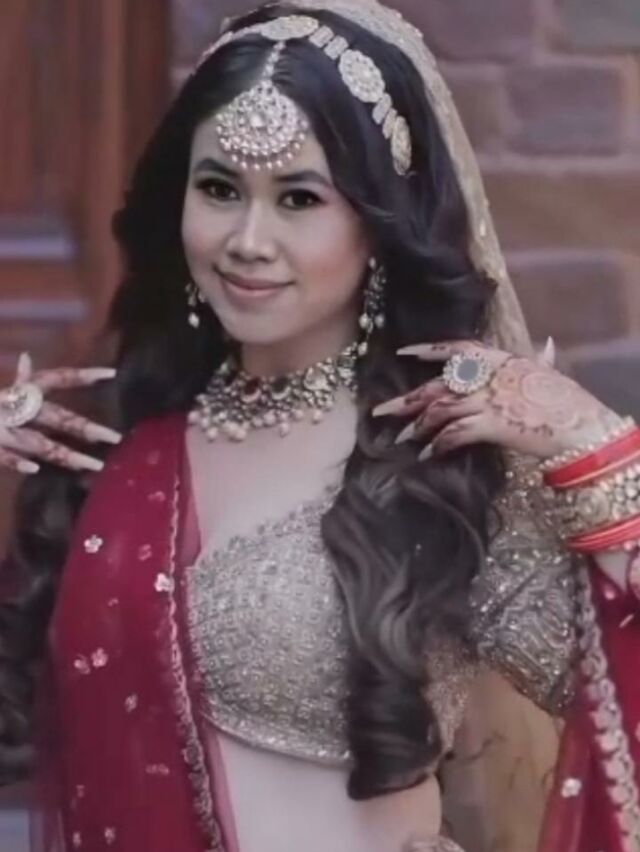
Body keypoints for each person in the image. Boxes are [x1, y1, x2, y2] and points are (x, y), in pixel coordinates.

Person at [0, 1, 638, 850]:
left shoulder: (437, 460)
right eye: (219, 189)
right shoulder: (120, 442)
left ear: (380, 224)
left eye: (299, 198)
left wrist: (598, 451)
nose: (247, 240)